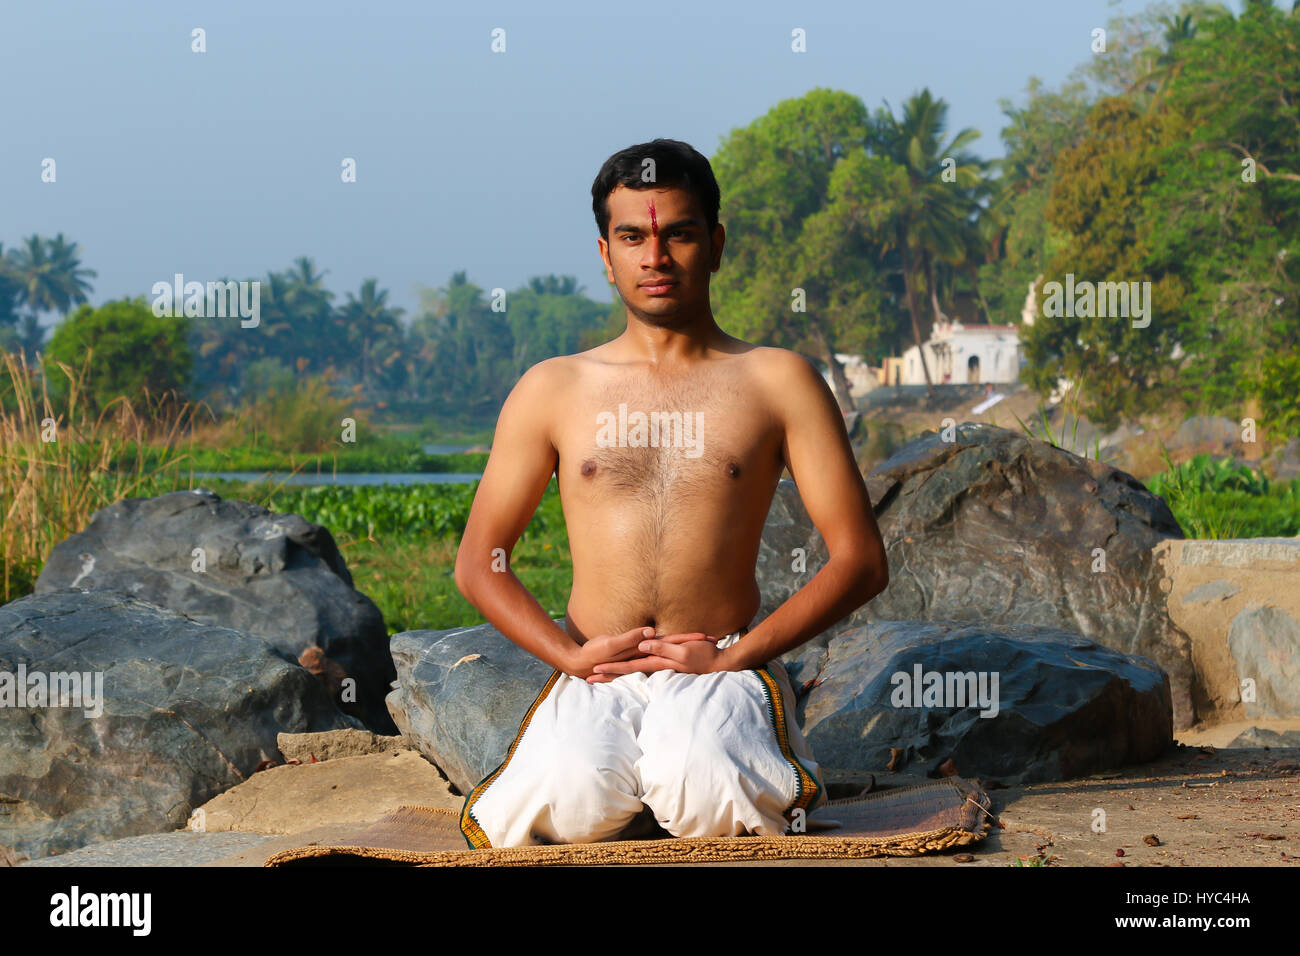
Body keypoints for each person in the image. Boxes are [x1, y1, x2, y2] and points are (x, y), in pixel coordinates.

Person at [453, 138, 889, 848]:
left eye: (678, 233)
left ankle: (693, 765)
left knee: (709, 785)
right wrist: (570, 659)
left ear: (714, 245)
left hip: (720, 658)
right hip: (598, 666)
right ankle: (634, 781)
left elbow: (860, 561)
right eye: (632, 237)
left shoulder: (777, 381)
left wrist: (731, 658)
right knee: (565, 800)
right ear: (605, 256)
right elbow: (479, 563)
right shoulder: (552, 389)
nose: (655, 256)